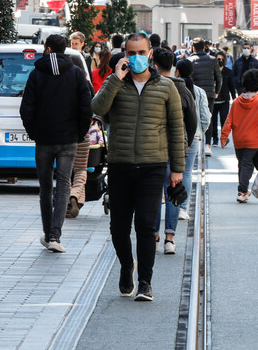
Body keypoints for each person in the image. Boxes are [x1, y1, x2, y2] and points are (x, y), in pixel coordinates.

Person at [91, 33, 185, 302]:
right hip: (120, 164)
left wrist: (177, 170)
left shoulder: (166, 87)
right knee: (119, 227)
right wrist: (114, 78)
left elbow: (177, 130)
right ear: (124, 54)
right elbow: (96, 107)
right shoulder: (116, 84)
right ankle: (126, 266)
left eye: (141, 52)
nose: (136, 58)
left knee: (145, 225)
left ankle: (145, 282)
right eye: (131, 53)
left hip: (153, 165)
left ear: (150, 54)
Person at [20, 34, 93, 252]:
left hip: (43, 139)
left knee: (45, 186)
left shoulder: (36, 74)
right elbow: (86, 107)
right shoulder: (76, 73)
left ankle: (47, 232)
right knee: (63, 184)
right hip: (68, 139)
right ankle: (55, 236)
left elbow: (26, 108)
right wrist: (79, 133)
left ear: (49, 49)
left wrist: (33, 132)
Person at [150, 48, 197, 253]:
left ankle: (154, 234)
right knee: (173, 191)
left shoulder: (151, 87)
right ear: (173, 66)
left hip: (154, 148)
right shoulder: (184, 89)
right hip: (177, 148)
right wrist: (185, 143)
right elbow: (192, 121)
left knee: (152, 194)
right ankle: (169, 238)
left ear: (155, 65)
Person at [164, 58, 209, 251]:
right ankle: (182, 208)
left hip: (170, 140)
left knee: (164, 184)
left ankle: (157, 234)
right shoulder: (199, 92)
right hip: (194, 137)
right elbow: (205, 117)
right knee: (186, 174)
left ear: (178, 72)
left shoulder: (173, 88)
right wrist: (199, 132)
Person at [220, 68, 258, 202]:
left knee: (242, 164)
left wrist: (224, 136)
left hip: (238, 140)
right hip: (253, 140)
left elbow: (229, 120)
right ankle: (242, 191)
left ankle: (244, 190)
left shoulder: (236, 102)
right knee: (247, 165)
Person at [188, 38, 221, 156]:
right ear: (204, 47)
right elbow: (218, 78)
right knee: (209, 117)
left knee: (193, 117)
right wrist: (216, 91)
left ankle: (193, 142)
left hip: (194, 93)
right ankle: (207, 145)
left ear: (193, 47)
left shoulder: (190, 60)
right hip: (209, 93)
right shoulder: (213, 60)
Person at [208, 50, 236, 150]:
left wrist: (234, 99)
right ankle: (214, 138)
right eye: (218, 59)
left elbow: (232, 86)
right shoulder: (211, 71)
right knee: (213, 120)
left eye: (221, 59)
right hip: (214, 100)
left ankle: (224, 138)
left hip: (224, 100)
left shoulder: (228, 72)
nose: (219, 61)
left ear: (224, 60)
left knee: (224, 120)